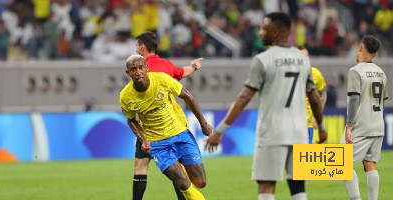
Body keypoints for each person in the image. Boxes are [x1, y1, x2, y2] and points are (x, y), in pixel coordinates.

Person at [205, 12, 327, 200]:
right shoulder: (303, 61)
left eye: (264, 28)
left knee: (267, 184)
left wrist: (220, 130)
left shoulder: (263, 60)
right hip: (299, 131)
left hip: (273, 131)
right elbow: (315, 98)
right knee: (298, 185)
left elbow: (244, 97)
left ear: (277, 32)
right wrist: (322, 127)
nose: (260, 32)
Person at [121, 55, 211, 200]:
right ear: (128, 73)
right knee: (182, 183)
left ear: (146, 68)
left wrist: (203, 124)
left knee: (201, 182)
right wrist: (143, 139)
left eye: (140, 68)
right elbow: (131, 120)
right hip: (157, 144)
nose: (138, 72)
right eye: (133, 69)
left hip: (180, 134)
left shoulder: (162, 79)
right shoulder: (125, 96)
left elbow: (187, 96)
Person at [133, 31, 203, 200]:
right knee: (177, 168)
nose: (135, 49)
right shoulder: (166, 65)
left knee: (140, 167)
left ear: (142, 47)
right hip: (170, 125)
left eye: (136, 45)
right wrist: (194, 66)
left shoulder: (139, 69)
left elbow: (135, 98)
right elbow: (183, 73)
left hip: (147, 127)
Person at [343, 35, 388, 200]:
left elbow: (354, 99)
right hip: (377, 125)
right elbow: (383, 100)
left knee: (342, 163)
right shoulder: (381, 73)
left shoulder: (355, 71)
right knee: (370, 164)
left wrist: (349, 125)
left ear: (360, 48)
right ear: (375, 54)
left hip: (360, 125)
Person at [298, 46, 328, 144]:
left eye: (305, 57)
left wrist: (318, 115)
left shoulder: (315, 74)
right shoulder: (285, 74)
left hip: (307, 125)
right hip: (288, 125)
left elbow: (323, 94)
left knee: (301, 158)